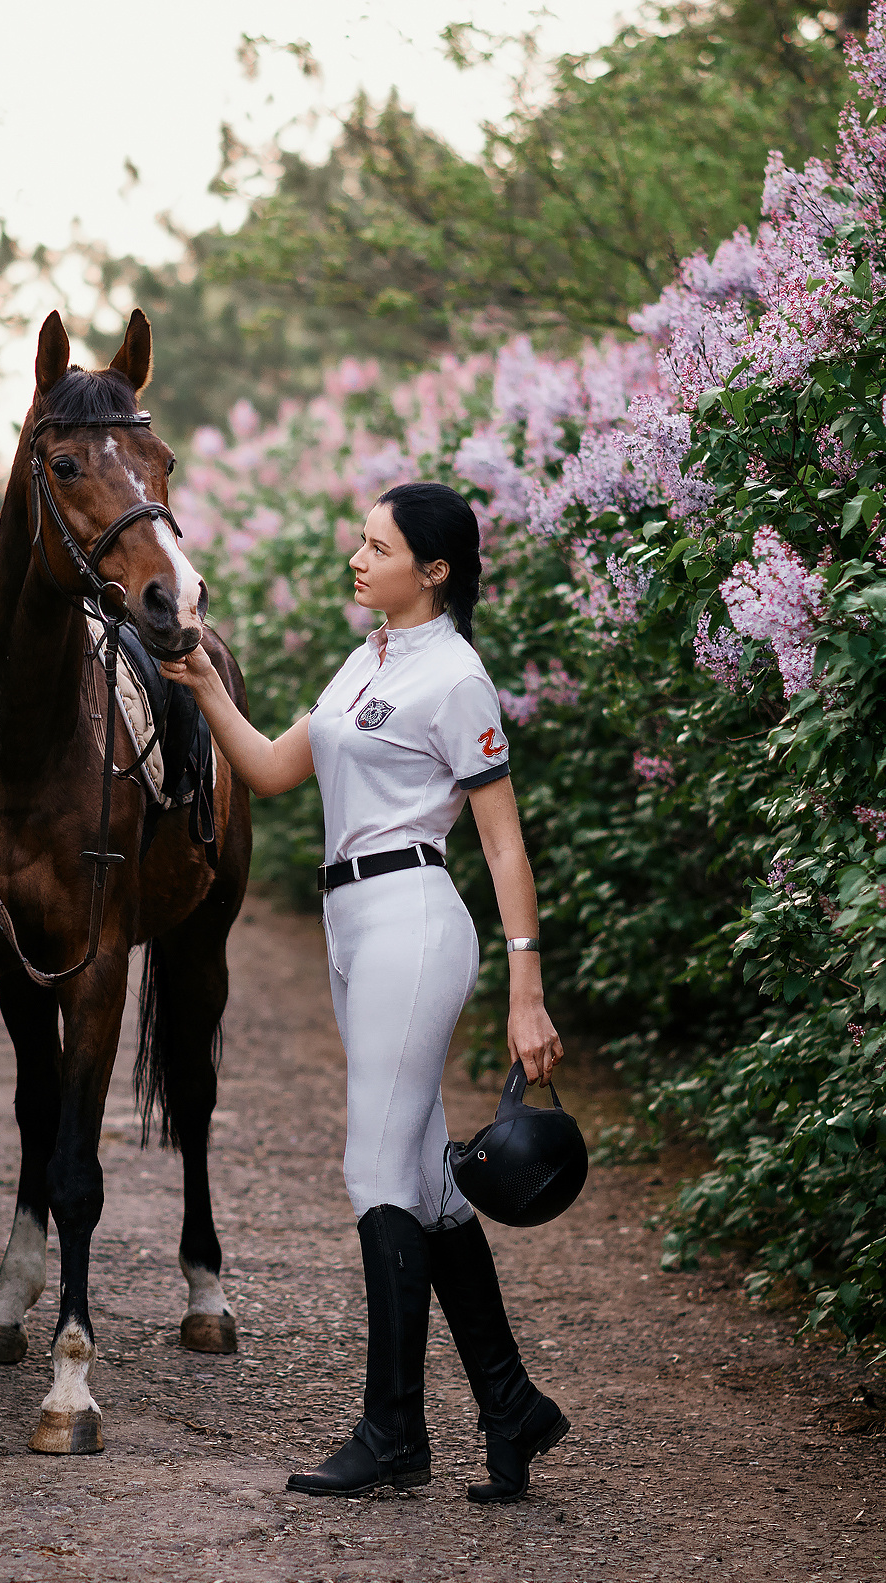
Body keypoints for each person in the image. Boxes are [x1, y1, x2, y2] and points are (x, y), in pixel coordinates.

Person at [160, 480, 570, 1504]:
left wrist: (528, 988)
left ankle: (392, 1434)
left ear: (432, 569)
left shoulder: (456, 679)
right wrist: (206, 680)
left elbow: (504, 842)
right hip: (353, 924)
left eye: (377, 545)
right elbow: (264, 768)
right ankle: (511, 1404)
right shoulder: (365, 660)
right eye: (359, 537)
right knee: (428, 1181)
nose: (357, 554)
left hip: (415, 921)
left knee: (373, 1171)